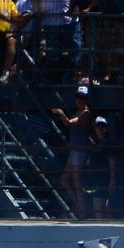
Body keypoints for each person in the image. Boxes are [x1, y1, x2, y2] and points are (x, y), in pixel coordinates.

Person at [51, 86, 95, 217]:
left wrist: (60, 113)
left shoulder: (86, 113)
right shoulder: (78, 111)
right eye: (78, 98)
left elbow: (69, 123)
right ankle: (77, 206)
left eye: (82, 98)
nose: (79, 100)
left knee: (76, 183)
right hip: (73, 151)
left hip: (79, 152)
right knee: (64, 180)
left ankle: (81, 212)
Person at [83, 116, 117, 218]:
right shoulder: (96, 143)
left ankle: (102, 226)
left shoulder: (108, 143)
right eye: (97, 126)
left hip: (104, 179)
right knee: (101, 206)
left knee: (99, 206)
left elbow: (112, 162)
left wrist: (112, 180)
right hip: (95, 179)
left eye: (102, 126)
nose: (99, 129)